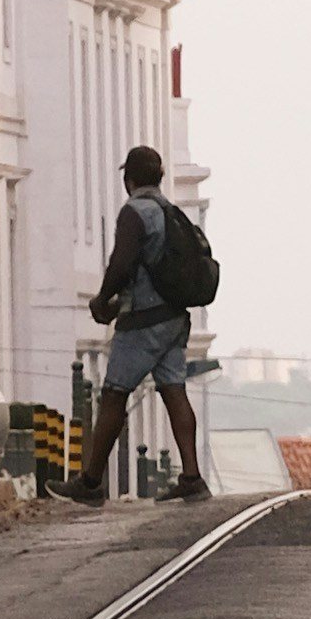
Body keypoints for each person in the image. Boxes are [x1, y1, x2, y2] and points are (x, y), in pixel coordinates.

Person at [84, 145, 212, 504]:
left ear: (130, 179)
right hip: (174, 319)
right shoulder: (170, 211)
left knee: (113, 394)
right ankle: (191, 476)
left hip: (143, 321)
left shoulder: (134, 212)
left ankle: (91, 481)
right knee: (174, 390)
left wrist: (100, 300)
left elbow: (121, 265)